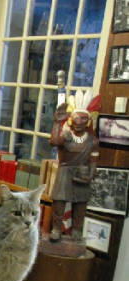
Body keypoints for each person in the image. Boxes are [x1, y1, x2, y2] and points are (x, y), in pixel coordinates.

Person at [49, 89, 100, 242]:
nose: (79, 125)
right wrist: (58, 123)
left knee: (80, 205)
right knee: (59, 202)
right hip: (65, 172)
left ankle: (77, 230)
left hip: (82, 173)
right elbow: (54, 142)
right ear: (71, 120)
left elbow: (93, 160)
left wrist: (90, 175)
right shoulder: (66, 135)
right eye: (77, 120)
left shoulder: (92, 140)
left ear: (89, 122)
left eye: (83, 121)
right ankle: (56, 228)